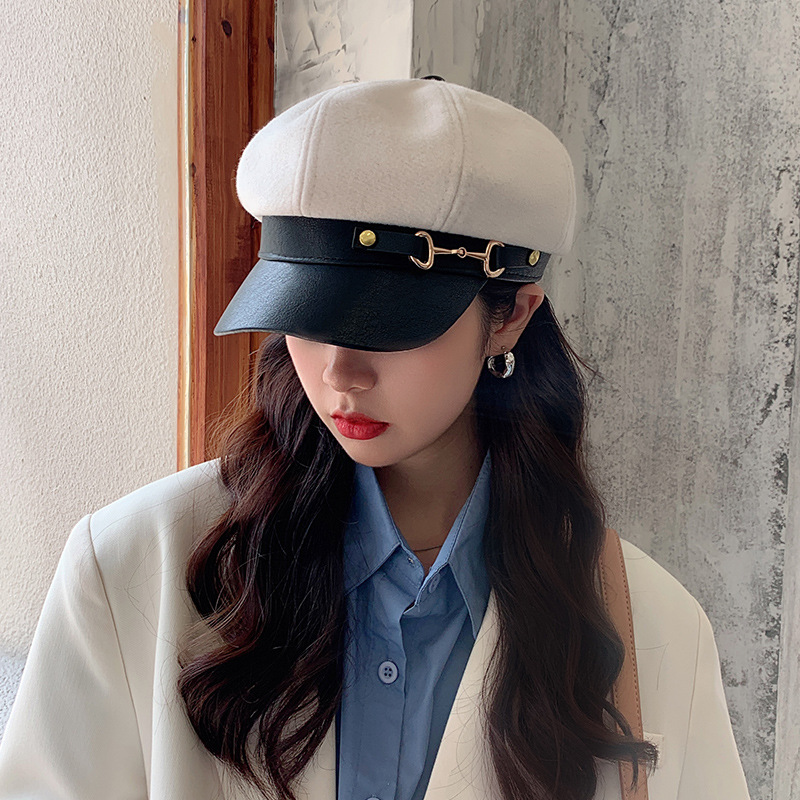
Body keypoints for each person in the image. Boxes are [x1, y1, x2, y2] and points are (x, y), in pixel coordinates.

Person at [0, 77, 751, 800]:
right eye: (308, 313)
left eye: (390, 324)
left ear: (512, 316)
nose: (339, 372)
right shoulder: (134, 569)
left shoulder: (654, 631)